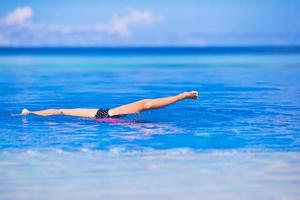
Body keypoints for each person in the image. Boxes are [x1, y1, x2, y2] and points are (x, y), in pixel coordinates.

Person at [21, 91, 198, 119]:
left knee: (61, 111)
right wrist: (182, 96)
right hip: (109, 116)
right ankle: (181, 96)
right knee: (145, 104)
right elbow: (146, 104)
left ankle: (30, 113)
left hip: (103, 115)